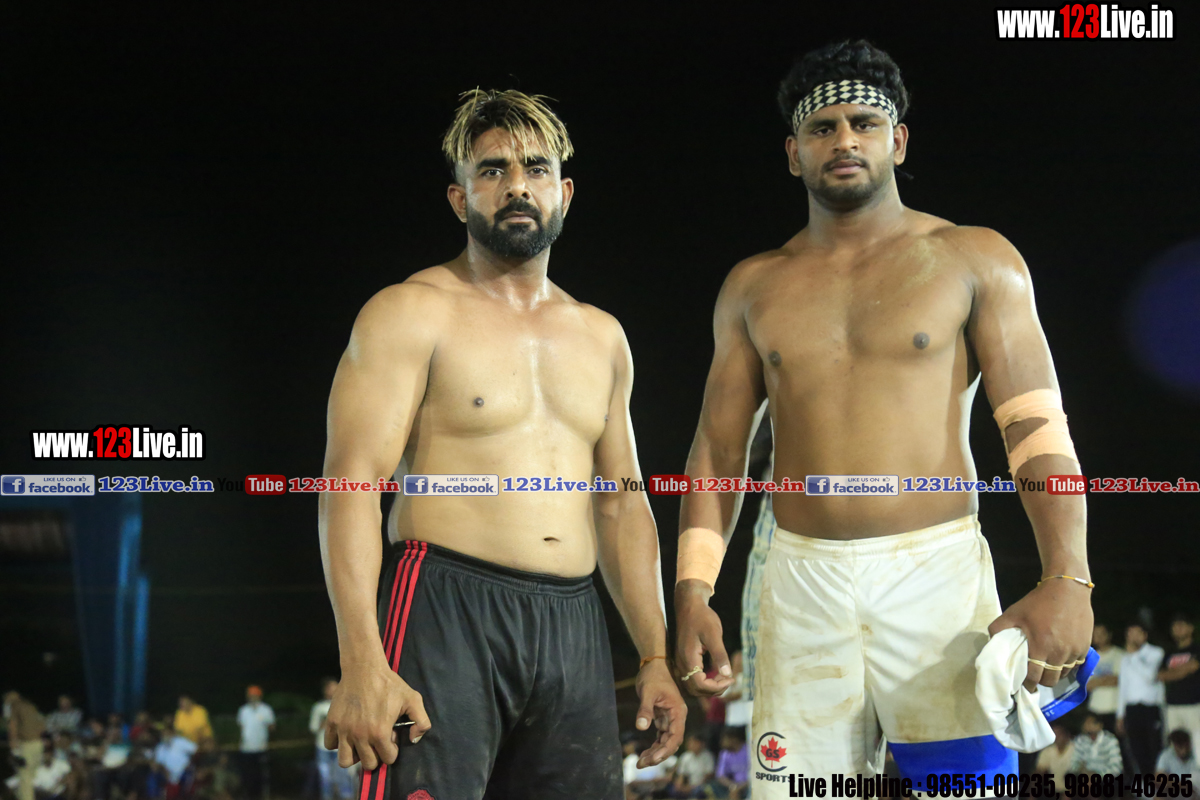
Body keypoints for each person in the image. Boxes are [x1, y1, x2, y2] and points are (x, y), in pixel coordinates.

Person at [673, 38, 1092, 793]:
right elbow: (717, 452)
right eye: (822, 127)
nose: (844, 140)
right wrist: (693, 590)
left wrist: (1069, 574)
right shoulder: (753, 286)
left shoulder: (975, 257)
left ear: (897, 140)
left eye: (863, 123)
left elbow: (1036, 431)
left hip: (938, 580)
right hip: (801, 585)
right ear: (793, 153)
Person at [318, 88, 685, 800]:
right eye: (493, 170)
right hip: (445, 609)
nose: (517, 185)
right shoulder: (408, 312)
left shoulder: (603, 336)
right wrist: (361, 658)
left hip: (574, 622)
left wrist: (654, 655)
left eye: (536, 168)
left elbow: (621, 506)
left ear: (564, 193)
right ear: (460, 200)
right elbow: (349, 485)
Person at [1118, 622, 1165, 773]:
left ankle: (1159, 782)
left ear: (1144, 635)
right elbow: (1123, 687)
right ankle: (1146, 782)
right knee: (1137, 749)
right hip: (1132, 709)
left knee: (1154, 747)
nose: (1132, 637)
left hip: (1150, 707)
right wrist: (1120, 715)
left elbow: (1150, 676)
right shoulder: (1125, 658)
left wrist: (1134, 656)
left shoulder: (1155, 652)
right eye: (1129, 634)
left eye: (1136, 633)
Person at [1160, 613, 1200, 754]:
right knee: (1175, 747)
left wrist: (1174, 672)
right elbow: (1161, 675)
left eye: (1181, 625)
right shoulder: (1169, 652)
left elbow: (1193, 667)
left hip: (1194, 705)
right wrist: (1183, 670)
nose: (1178, 629)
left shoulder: (1197, 649)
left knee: (1197, 745)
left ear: (1190, 628)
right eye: (1175, 626)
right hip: (1172, 706)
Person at [309, 679, 353, 800]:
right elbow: (313, 728)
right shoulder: (318, 707)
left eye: (336, 687)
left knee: (343, 776)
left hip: (341, 747)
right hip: (322, 747)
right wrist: (323, 723)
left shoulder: (345, 706)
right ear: (325, 690)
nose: (333, 690)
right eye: (330, 688)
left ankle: (346, 797)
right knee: (325, 777)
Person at [5, 691, 47, 800]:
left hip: (26, 744)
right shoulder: (31, 706)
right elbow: (42, 724)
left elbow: (12, 726)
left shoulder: (15, 706)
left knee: (25, 776)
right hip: (38, 743)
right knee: (32, 775)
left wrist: (13, 745)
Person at [236, 686, 275, 800]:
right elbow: (241, 727)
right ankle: (248, 795)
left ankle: (261, 796)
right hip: (246, 749)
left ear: (259, 696)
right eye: (250, 695)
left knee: (261, 775)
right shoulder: (243, 710)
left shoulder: (266, 709)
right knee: (247, 775)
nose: (252, 698)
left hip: (261, 748)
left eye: (254, 695)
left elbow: (272, 727)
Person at [1088, 623, 1122, 731]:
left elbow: (1117, 680)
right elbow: (1087, 685)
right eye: (1095, 634)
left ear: (1109, 635)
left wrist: (1097, 681)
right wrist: (1106, 679)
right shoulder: (1090, 658)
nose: (1098, 637)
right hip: (1095, 708)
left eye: (1102, 634)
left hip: (1114, 707)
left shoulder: (1119, 655)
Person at [701, 728, 749, 800]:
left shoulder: (749, 751)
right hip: (731, 785)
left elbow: (754, 775)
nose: (722, 742)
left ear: (734, 739)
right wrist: (732, 786)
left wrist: (739, 787)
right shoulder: (724, 754)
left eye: (724, 739)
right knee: (709, 786)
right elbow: (720, 776)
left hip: (746, 785)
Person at [153, 724, 198, 800]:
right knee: (154, 777)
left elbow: (196, 750)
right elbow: (157, 763)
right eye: (163, 734)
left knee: (188, 780)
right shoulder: (160, 747)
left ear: (171, 733)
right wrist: (164, 771)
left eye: (167, 733)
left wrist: (190, 762)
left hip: (184, 771)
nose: (165, 735)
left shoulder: (180, 741)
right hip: (167, 774)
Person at [668, 734, 715, 798]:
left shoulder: (708, 757)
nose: (690, 744)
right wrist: (679, 786)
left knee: (700, 791)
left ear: (701, 743)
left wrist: (692, 787)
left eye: (693, 742)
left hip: (702, 786)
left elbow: (707, 777)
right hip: (689, 785)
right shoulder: (686, 756)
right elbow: (681, 775)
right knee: (674, 791)